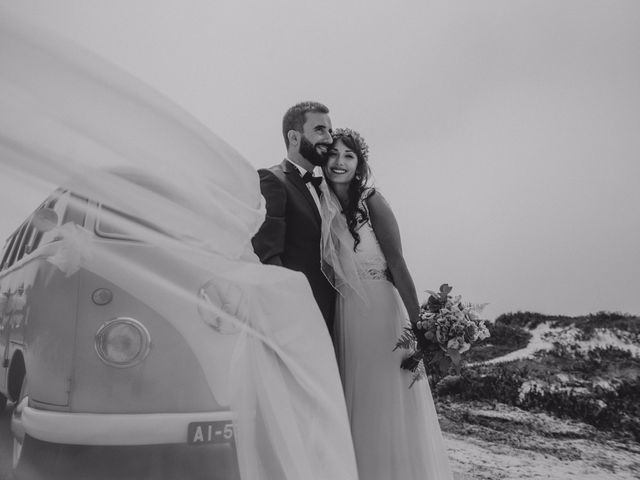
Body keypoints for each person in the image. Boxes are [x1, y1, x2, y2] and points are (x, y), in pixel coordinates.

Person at [320, 128, 454, 480]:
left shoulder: (371, 200)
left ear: (359, 163)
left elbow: (398, 265)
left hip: (381, 311)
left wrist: (422, 329)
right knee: (358, 400)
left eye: (348, 155)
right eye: (333, 154)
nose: (339, 162)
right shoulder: (322, 203)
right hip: (347, 312)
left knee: (385, 400)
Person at [252, 101, 337, 334]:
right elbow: (267, 256)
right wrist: (288, 312)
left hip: (334, 318)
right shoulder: (272, 179)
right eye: (319, 130)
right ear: (294, 137)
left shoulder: (328, 190)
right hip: (297, 320)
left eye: (330, 131)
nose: (329, 139)